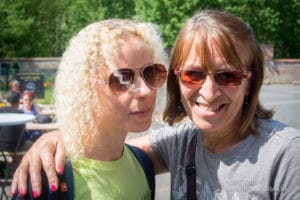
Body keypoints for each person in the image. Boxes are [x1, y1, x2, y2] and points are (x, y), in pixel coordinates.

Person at [11, 10, 300, 199]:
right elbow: (107, 152)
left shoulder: (286, 156)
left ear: (251, 79)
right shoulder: (181, 143)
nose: (209, 91)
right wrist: (55, 138)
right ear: (177, 78)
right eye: (194, 74)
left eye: (229, 75)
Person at [11, 18, 168, 199]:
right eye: (123, 79)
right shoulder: (46, 175)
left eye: (150, 73)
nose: (146, 90)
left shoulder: (144, 164)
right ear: (87, 88)